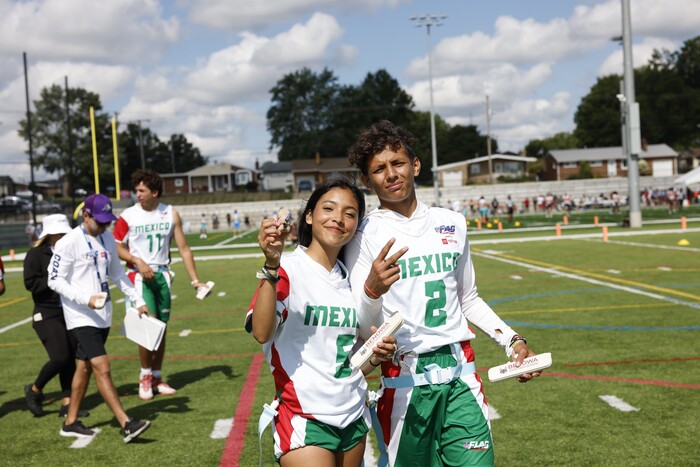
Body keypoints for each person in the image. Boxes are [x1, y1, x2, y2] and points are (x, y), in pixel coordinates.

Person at [345, 120, 541, 467]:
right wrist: (372, 292)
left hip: (460, 374)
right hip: (404, 378)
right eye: (379, 169)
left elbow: (469, 299)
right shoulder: (363, 234)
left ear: (415, 165)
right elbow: (364, 326)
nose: (391, 174)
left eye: (398, 163)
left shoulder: (452, 222)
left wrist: (512, 341)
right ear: (366, 179)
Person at [246, 178, 400, 466]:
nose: (339, 219)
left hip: (352, 414)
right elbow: (262, 332)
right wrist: (270, 265)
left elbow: (348, 363)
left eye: (350, 213)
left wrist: (375, 356)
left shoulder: (351, 279)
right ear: (309, 215)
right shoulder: (289, 268)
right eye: (328, 208)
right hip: (304, 416)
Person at [48, 194, 151, 442]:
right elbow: (53, 280)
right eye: (101, 221)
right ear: (86, 216)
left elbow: (117, 274)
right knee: (102, 367)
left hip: (103, 315)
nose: (105, 226)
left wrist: (138, 300)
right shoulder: (68, 242)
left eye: (108, 221)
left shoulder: (106, 237)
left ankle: (70, 422)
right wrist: (86, 299)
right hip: (80, 316)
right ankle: (126, 423)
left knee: (83, 368)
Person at [114, 169, 208, 401]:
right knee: (148, 326)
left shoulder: (170, 213)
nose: (138, 194)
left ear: (154, 192)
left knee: (161, 328)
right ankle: (145, 375)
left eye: (142, 190)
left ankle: (156, 376)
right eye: (137, 190)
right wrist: (137, 260)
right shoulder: (128, 216)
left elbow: (184, 249)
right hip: (138, 276)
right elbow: (116, 246)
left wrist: (195, 280)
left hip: (162, 275)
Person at [23, 214, 88, 418]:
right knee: (60, 357)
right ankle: (34, 390)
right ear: (49, 235)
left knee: (70, 357)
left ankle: (67, 402)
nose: (62, 237)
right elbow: (31, 284)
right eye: (58, 233)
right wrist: (53, 278)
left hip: (69, 311)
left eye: (64, 233)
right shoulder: (35, 255)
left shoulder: (71, 251)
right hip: (46, 313)